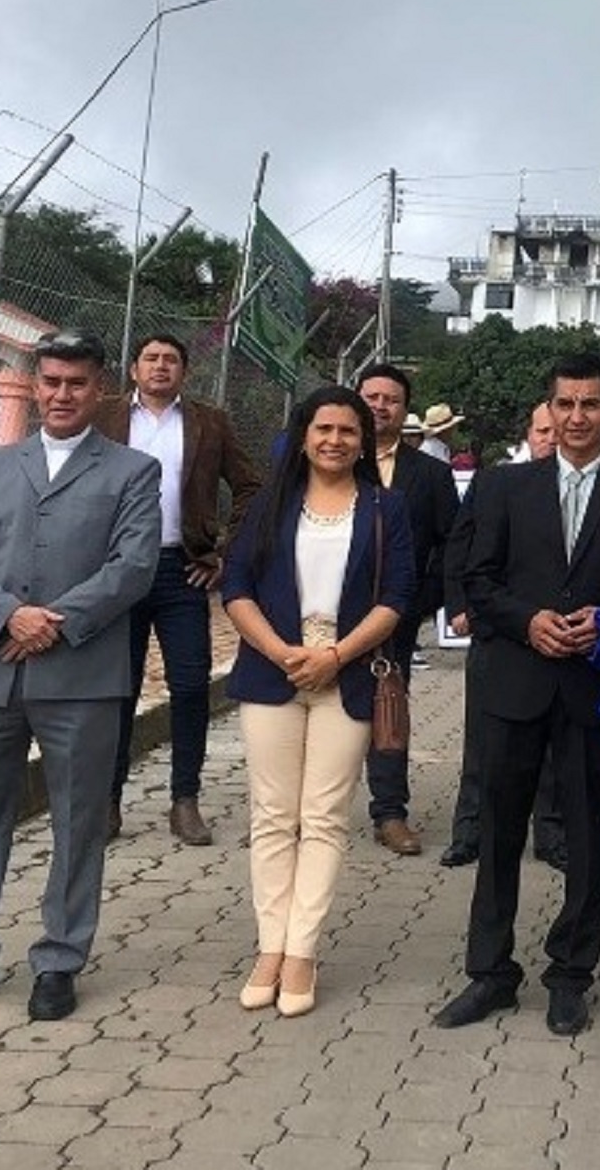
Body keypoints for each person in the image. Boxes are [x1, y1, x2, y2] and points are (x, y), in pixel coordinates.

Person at [0, 330, 161, 1022]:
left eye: (76, 383)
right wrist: (8, 617)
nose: (62, 394)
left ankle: (59, 959)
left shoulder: (133, 472)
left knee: (79, 823)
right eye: (51, 381)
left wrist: (53, 622)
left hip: (82, 676)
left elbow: (133, 566)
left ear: (100, 389)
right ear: (33, 386)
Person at [433, 354, 600, 1036]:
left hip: (593, 687)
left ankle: (571, 974)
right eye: (565, 404)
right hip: (515, 680)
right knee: (498, 832)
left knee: (589, 837)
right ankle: (490, 972)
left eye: (590, 404)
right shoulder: (504, 486)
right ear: (550, 410)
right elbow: (478, 577)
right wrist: (527, 621)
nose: (577, 417)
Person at [219, 387, 414, 1016]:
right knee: (273, 815)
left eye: (348, 431)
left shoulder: (386, 508)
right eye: (323, 428)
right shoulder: (269, 503)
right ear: (303, 436)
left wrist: (335, 656)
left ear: (364, 442)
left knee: (324, 816)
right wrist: (282, 652)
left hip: (347, 673)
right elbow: (236, 585)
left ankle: (302, 951)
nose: (335, 440)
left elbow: (396, 597)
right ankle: (269, 947)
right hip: (272, 668)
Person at [96, 332, 262, 845]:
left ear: (184, 372)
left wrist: (224, 553)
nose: (160, 366)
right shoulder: (102, 417)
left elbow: (251, 487)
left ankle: (184, 801)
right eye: (151, 358)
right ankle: (107, 801)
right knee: (117, 689)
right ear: (134, 369)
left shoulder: (210, 422)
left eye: (171, 359)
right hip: (116, 570)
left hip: (182, 570)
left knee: (190, 687)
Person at [440, 405, 566, 871]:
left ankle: (551, 834)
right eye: (542, 431)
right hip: (497, 630)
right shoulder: (496, 483)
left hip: (556, 633)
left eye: (556, 432)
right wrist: (458, 605)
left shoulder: (578, 490)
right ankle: (470, 831)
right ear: (528, 435)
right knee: (483, 741)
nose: (551, 439)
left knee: (554, 746)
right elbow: (460, 543)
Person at [354, 364, 461, 856]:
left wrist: (421, 601)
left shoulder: (431, 474)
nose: (380, 406)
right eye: (371, 397)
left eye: (391, 399)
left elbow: (452, 543)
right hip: (325, 613)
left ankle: (390, 813)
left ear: (405, 410)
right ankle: (303, 813)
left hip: (394, 616)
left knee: (388, 710)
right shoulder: (326, 456)